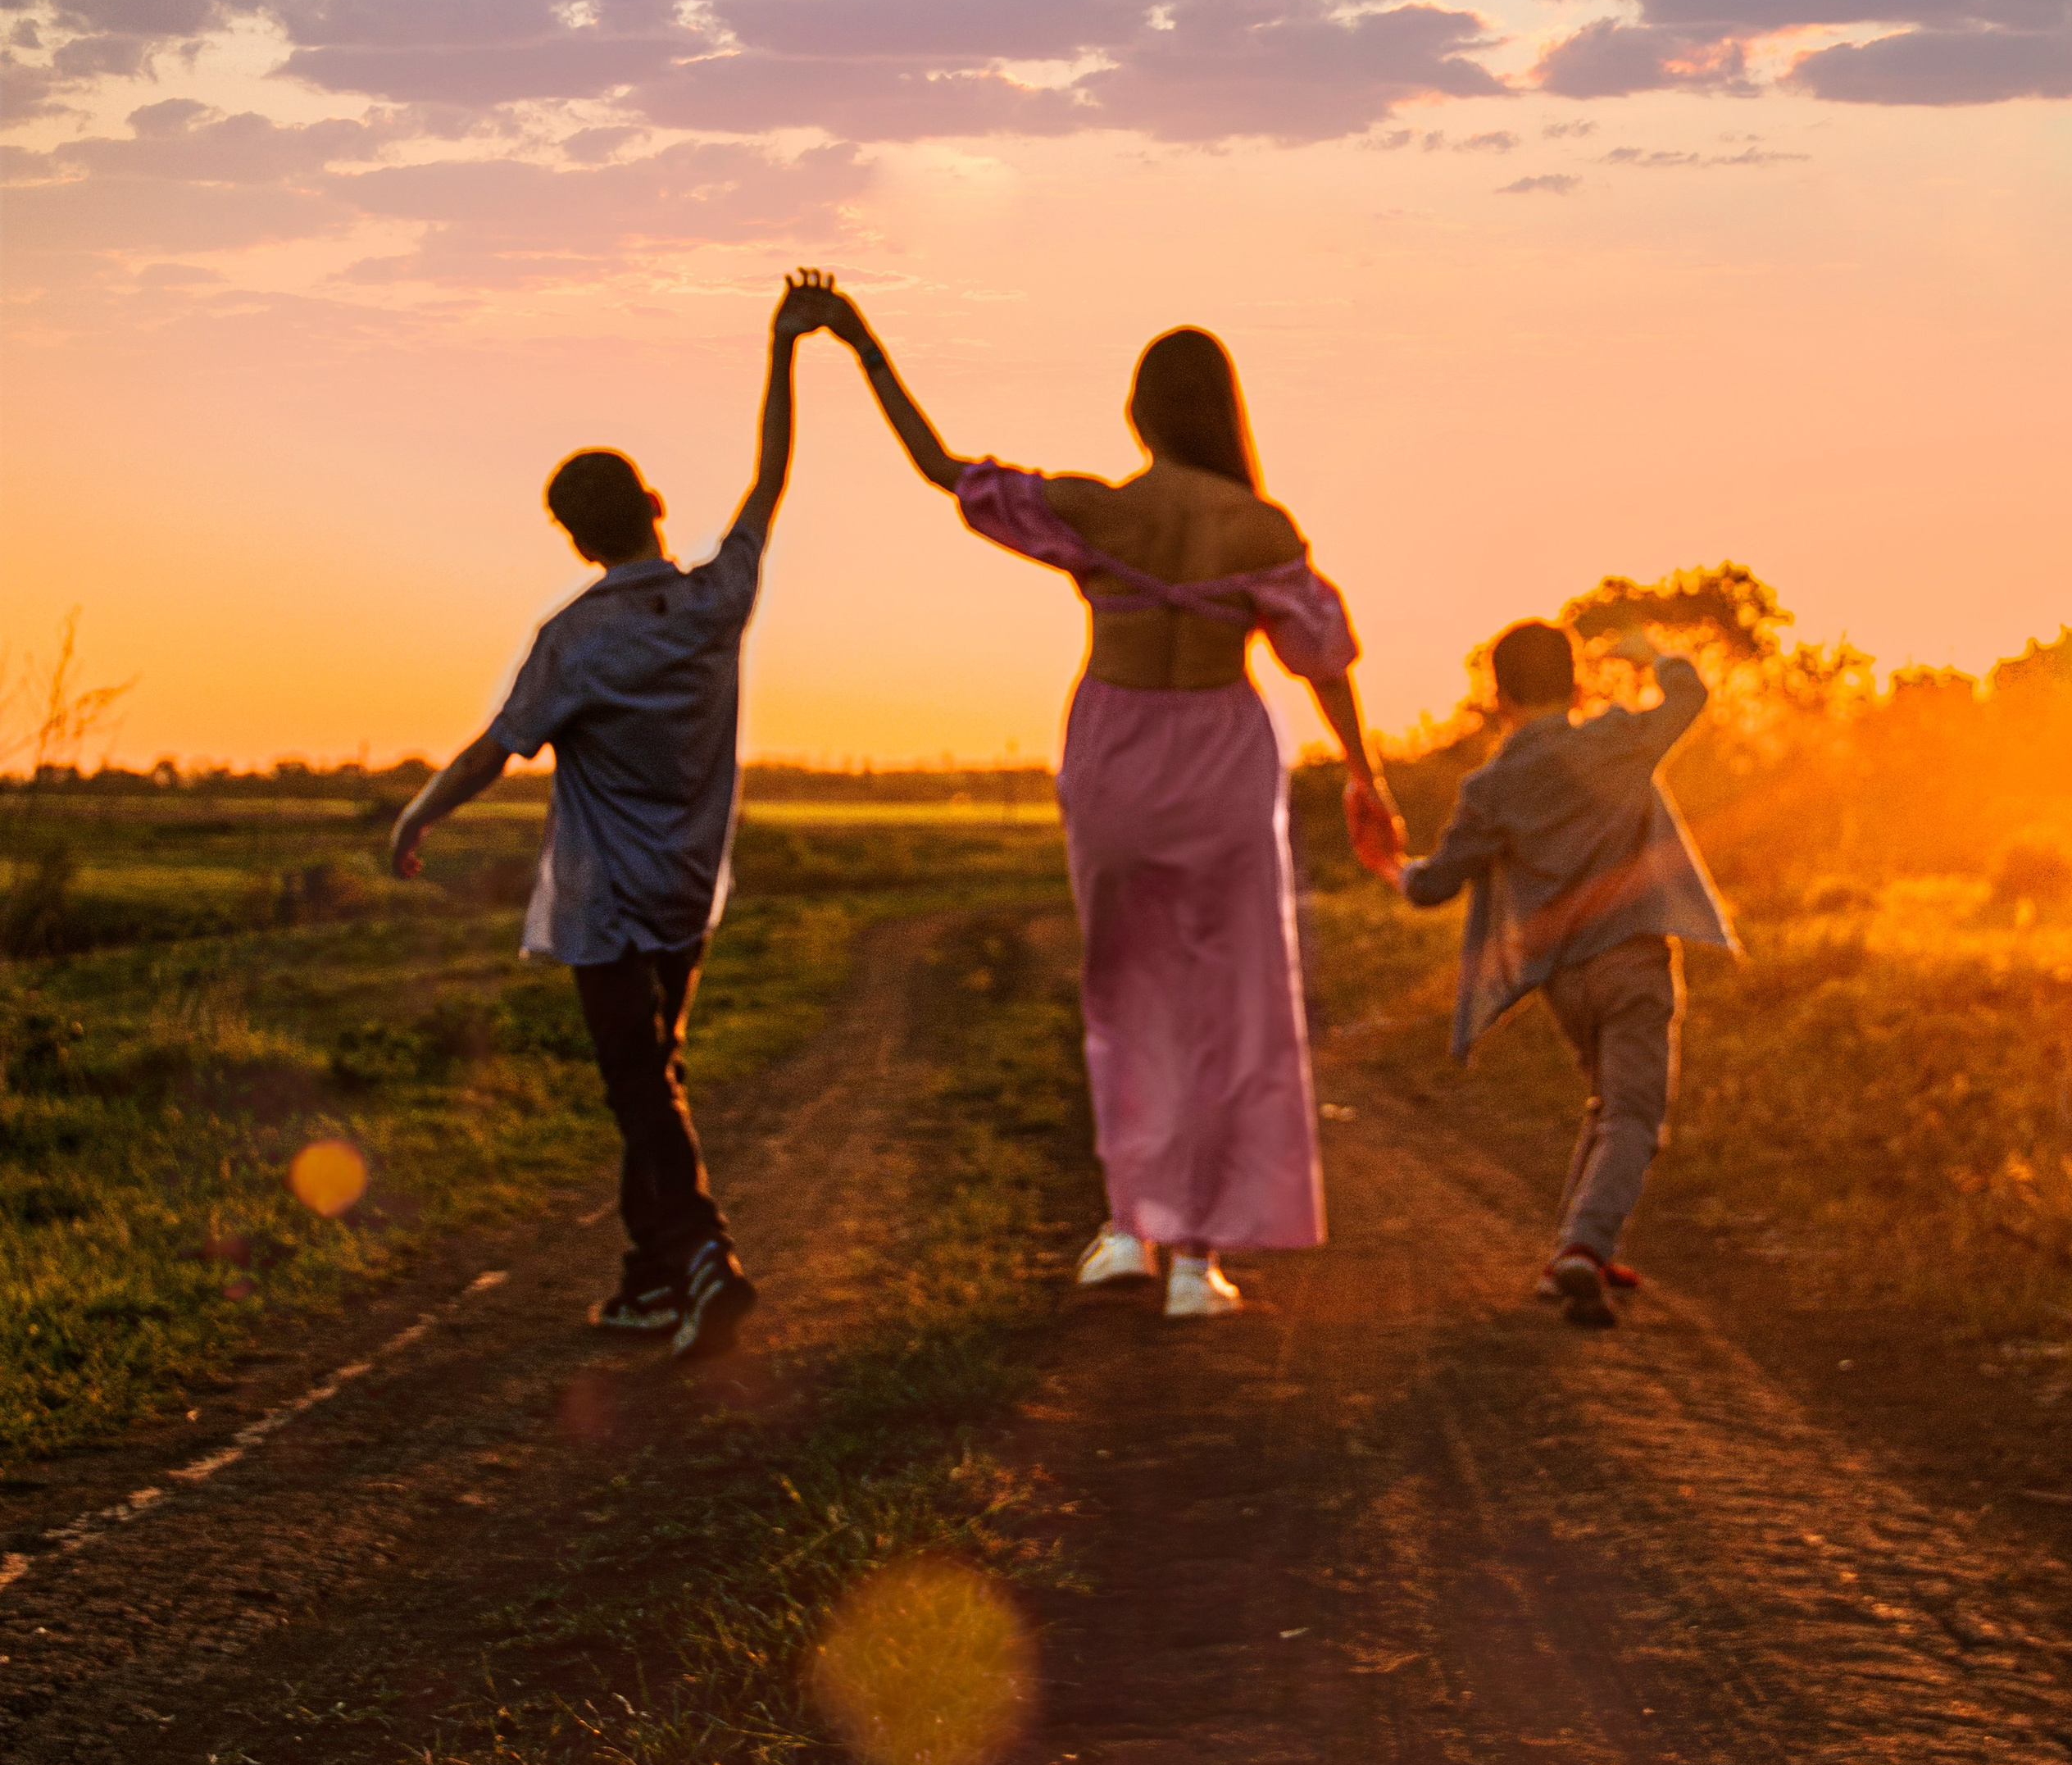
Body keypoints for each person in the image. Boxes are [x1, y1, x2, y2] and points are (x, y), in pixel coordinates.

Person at [794, 272, 1402, 1320]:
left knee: (1128, 995)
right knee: (1223, 1001)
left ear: (1139, 413)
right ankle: (1193, 1263)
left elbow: (943, 467)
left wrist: (859, 342)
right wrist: (1364, 775)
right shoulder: (1259, 525)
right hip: (1218, 751)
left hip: (1117, 752)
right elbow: (1323, 661)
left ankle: (1131, 1227)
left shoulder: (1094, 508)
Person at [388, 275, 828, 1357]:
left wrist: (417, 816)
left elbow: (494, 748)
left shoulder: (572, 639)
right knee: (653, 1074)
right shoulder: (716, 601)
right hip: (685, 894)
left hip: (603, 907)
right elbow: (772, 476)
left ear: (576, 536)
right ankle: (647, 1276)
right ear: (654, 506)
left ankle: (703, 1257)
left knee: (638, 1085)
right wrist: (784, 350)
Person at [1397, 620, 1736, 1328]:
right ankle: (1585, 1244)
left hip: (1562, 979)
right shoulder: (1616, 740)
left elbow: (1433, 886)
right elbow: (1689, 697)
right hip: (1634, 958)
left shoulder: (1490, 786)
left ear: (1499, 693)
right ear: (1575, 678)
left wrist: (1391, 866)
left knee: (1605, 1103)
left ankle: (1578, 1246)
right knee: (1634, 1114)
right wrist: (1655, 656)